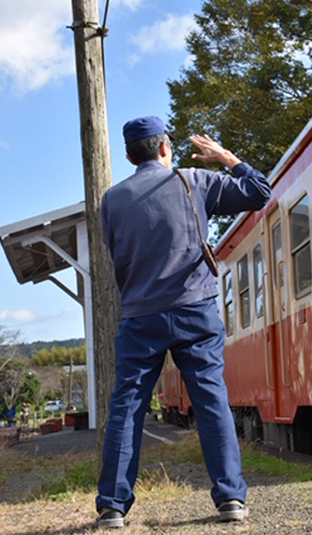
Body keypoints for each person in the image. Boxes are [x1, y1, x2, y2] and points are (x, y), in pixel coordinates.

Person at [95, 116, 271, 529]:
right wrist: (227, 158)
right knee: (211, 401)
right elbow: (259, 193)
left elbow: (114, 252)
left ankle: (112, 508)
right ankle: (230, 500)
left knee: (127, 407)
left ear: (128, 154)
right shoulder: (194, 180)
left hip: (140, 316)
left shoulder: (112, 200)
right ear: (164, 148)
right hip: (195, 310)